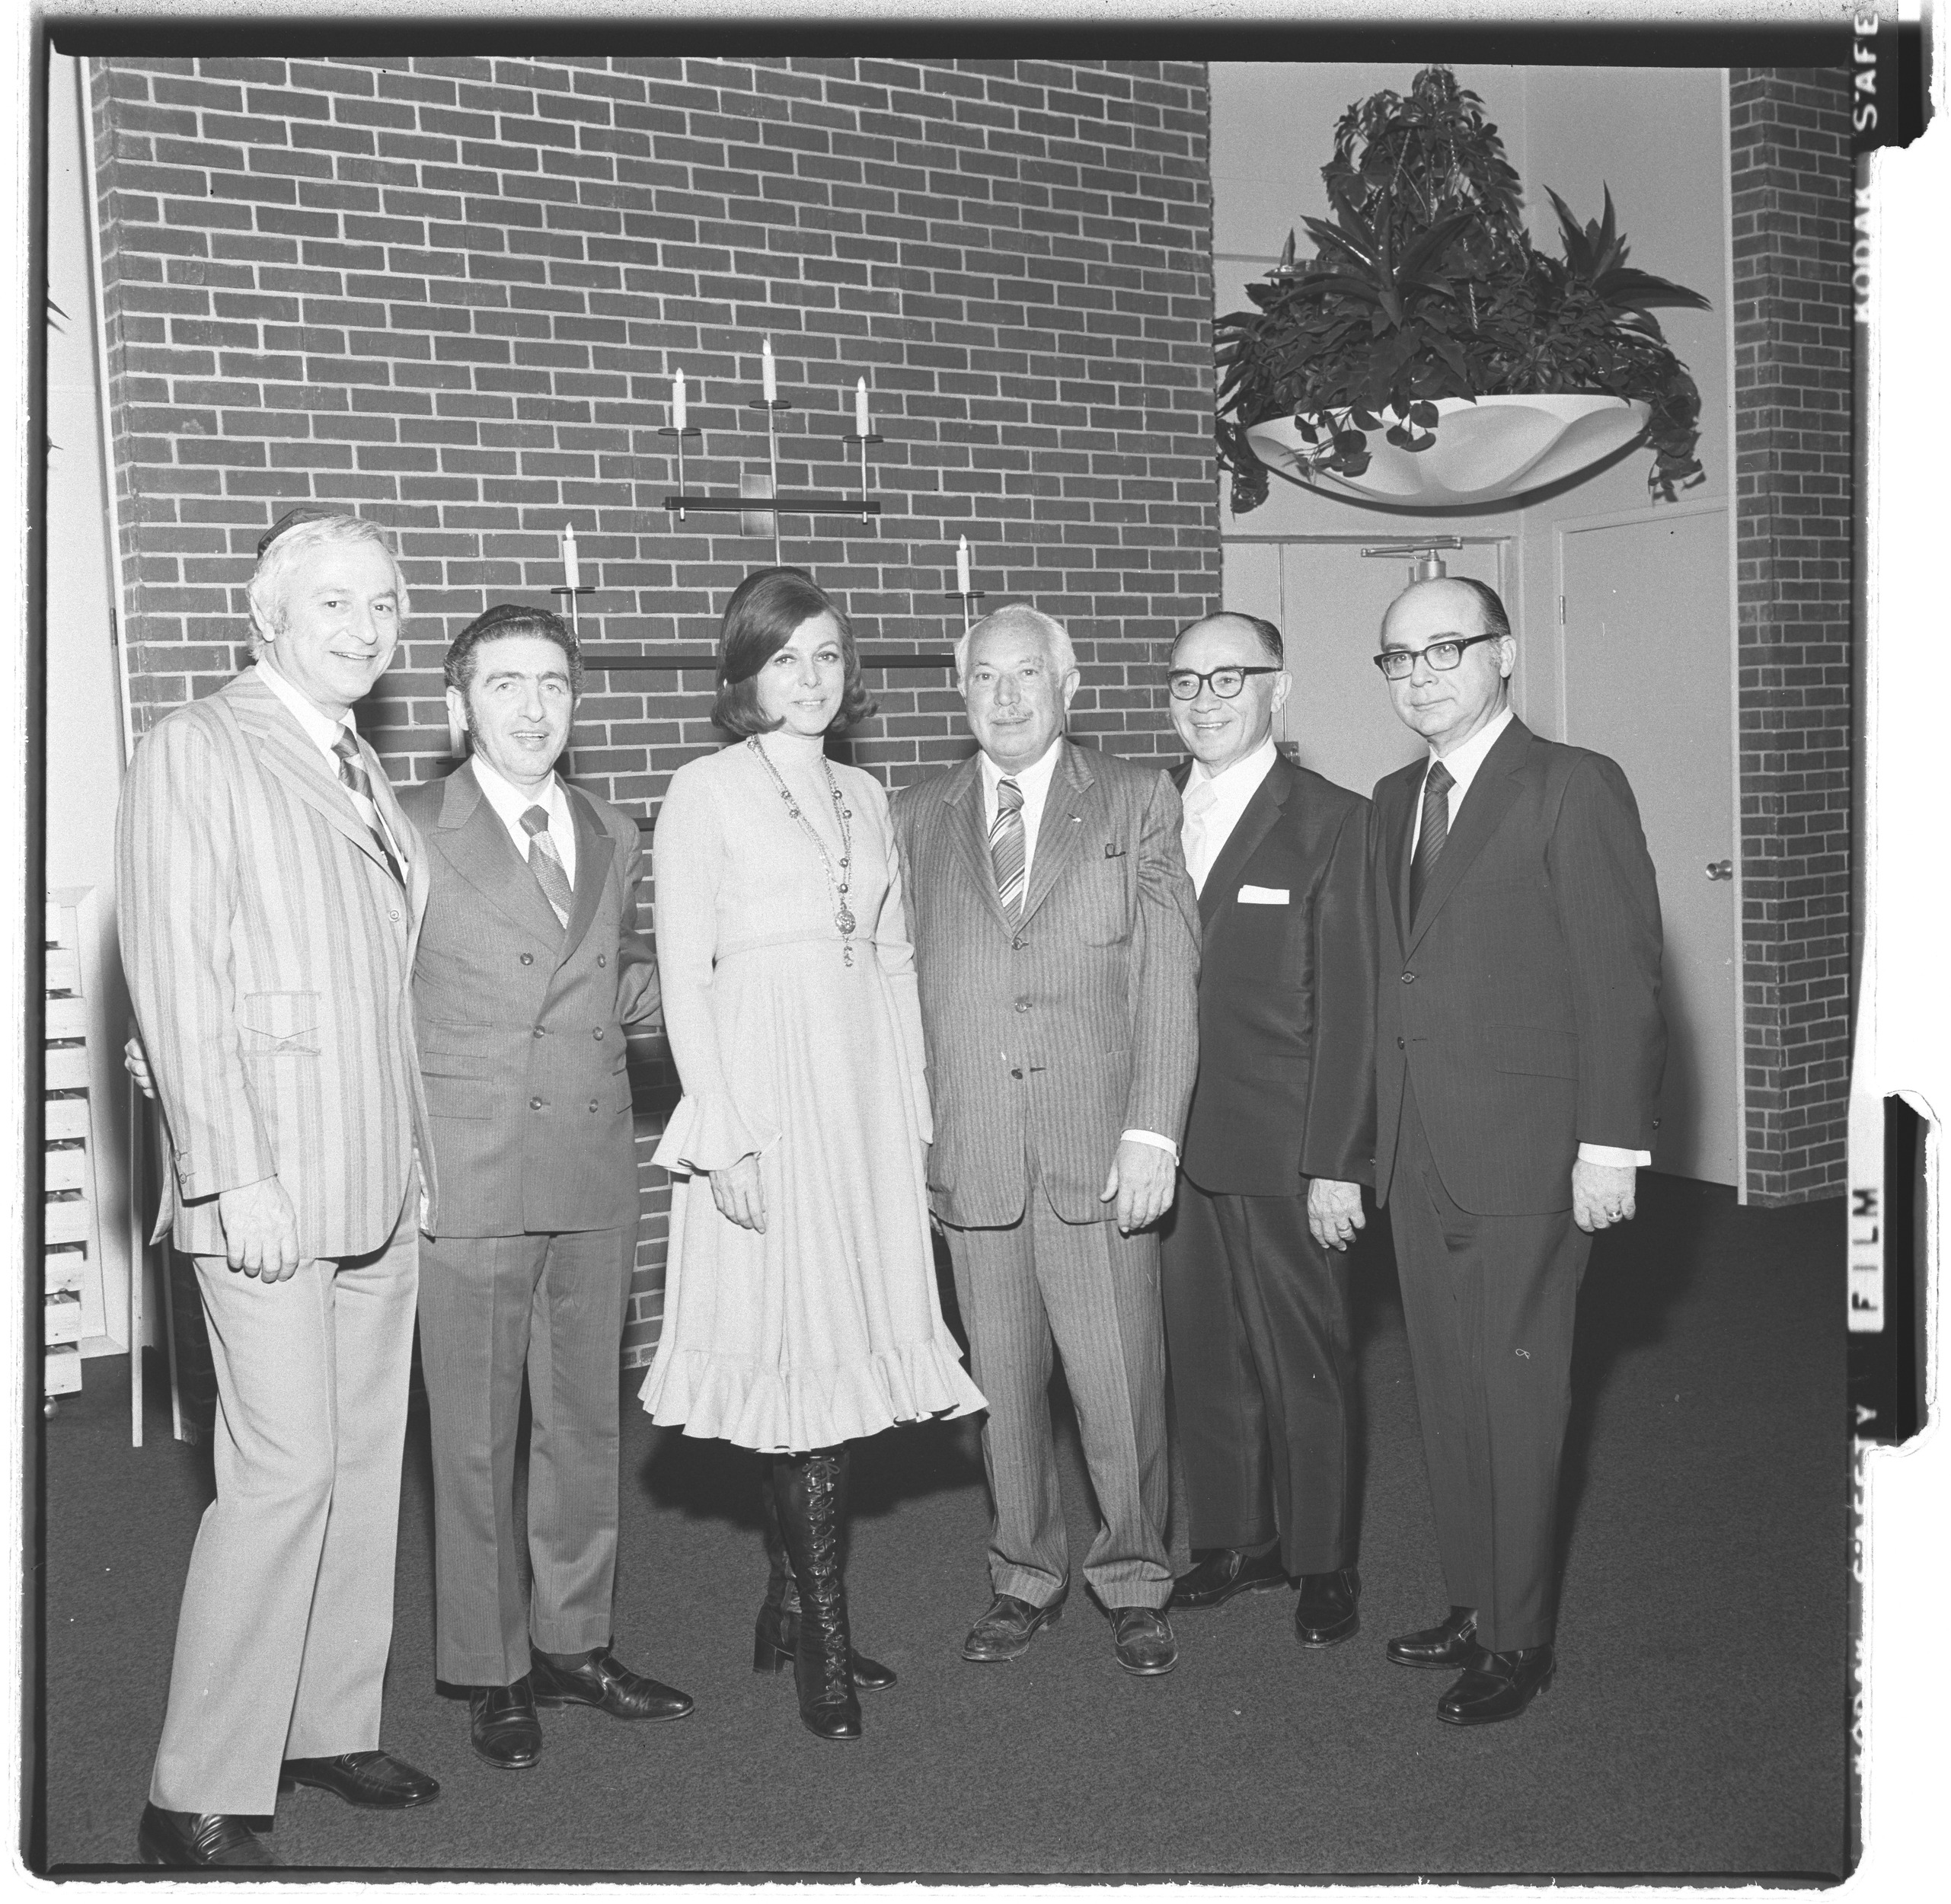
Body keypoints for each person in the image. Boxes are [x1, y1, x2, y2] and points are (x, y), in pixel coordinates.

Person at [117, 511, 441, 1867]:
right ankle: (193, 1787)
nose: (364, 628)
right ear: (268, 616)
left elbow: (377, 992)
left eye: (382, 604)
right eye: (334, 603)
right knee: (282, 1472)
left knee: (363, 1466)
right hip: (265, 1182)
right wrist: (227, 1169)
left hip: (372, 1171)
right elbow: (179, 975)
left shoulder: (360, 758)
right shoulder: (201, 745)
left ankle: (322, 1725)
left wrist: (415, 1156)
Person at [637, 567, 985, 1743]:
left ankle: (787, 1605)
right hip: (763, 1099)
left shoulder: (864, 789)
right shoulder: (702, 790)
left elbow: (888, 959)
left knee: (836, 1354)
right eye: (787, 657)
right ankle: (822, 1652)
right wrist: (721, 1127)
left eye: (828, 655)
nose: (812, 678)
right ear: (745, 674)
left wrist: (914, 1110)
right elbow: (686, 974)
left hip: (859, 1105)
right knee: (793, 1372)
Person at [398, 605, 693, 1772]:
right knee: (472, 1438)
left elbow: (612, 982)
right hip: (463, 1171)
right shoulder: (405, 822)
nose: (533, 708)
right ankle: (490, 1667)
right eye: (506, 685)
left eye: (555, 687)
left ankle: (575, 1642)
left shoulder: (611, 829)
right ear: (457, 704)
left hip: (585, 1163)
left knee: (580, 1424)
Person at [1368, 575, 1664, 1727]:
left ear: (1501, 656)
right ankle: (1470, 1600)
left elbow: (1618, 978)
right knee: (1445, 1395)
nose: (1422, 673)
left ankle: (1521, 1638)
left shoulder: (1569, 784)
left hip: (1531, 1155)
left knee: (1518, 1398)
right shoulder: (1395, 796)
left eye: (1446, 648)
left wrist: (1610, 1148)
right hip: (1419, 1151)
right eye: (1398, 657)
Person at [891, 604, 1201, 1679]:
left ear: (1068, 687)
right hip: (973, 1154)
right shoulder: (916, 812)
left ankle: (1135, 1578)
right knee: (1003, 1388)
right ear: (961, 691)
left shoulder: (1131, 799)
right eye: (986, 679)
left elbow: (1168, 975)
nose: (1008, 697)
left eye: (1029, 676)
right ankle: (1021, 1574)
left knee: (1117, 1384)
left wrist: (1152, 1130)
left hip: (1096, 1151)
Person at [1156, 613, 1378, 1648]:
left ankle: (1323, 1558)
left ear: (1275, 691)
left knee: (1306, 1356)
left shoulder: (1333, 820)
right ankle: (1237, 1539)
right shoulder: (1145, 810)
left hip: (1287, 1146)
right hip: (1169, 1140)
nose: (1205, 700)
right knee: (1202, 1351)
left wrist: (1336, 1161)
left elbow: (1353, 1008)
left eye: (1228, 679)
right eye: (1186, 681)